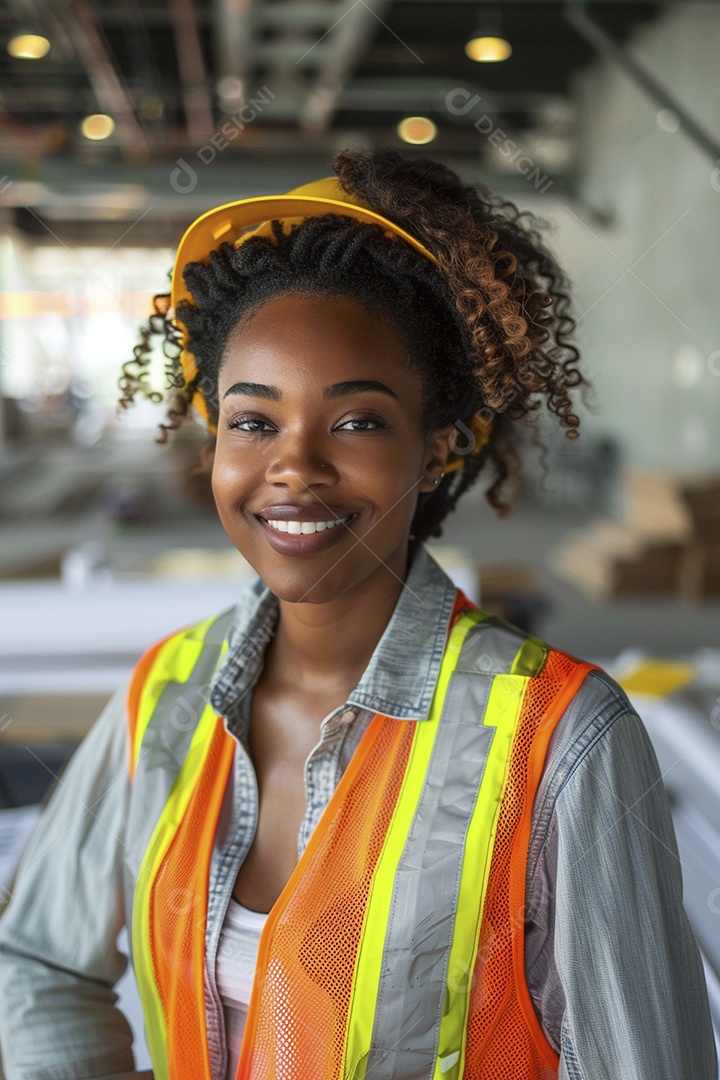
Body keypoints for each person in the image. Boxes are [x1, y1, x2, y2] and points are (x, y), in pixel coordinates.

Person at [0, 149, 716, 1080]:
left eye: (357, 422)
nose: (293, 467)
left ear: (437, 448)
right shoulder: (168, 691)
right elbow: (41, 960)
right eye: (253, 422)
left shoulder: (558, 741)